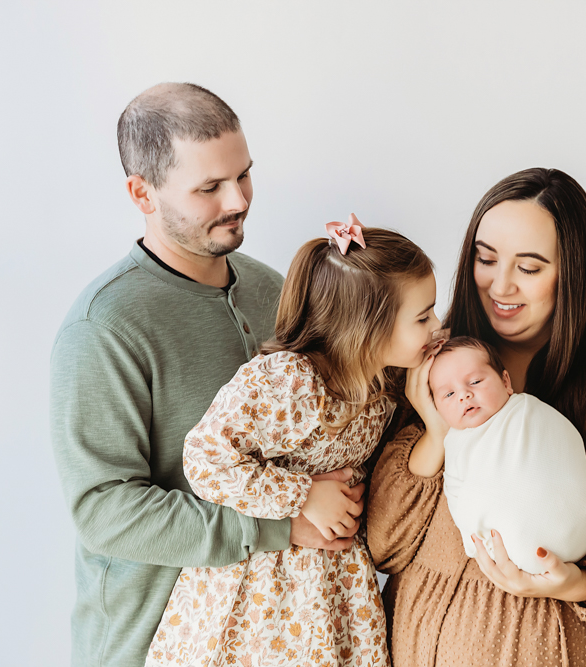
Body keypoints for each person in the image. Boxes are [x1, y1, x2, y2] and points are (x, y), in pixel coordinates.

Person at [50, 83, 358, 667]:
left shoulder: (277, 291)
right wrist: (280, 522)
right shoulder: (102, 328)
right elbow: (104, 511)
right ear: (142, 192)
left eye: (243, 175)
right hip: (146, 645)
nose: (238, 199)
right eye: (208, 188)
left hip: (278, 639)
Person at [367, 168, 586, 666]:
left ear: (572, 272)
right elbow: (381, 547)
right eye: (485, 259)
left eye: (529, 268)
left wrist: (584, 582)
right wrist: (437, 430)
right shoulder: (426, 363)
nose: (499, 284)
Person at [145, 218, 442, 667]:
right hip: (261, 591)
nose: (436, 325)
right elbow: (206, 460)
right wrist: (304, 496)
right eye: (423, 317)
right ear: (368, 328)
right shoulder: (286, 381)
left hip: (336, 588)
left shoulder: (386, 387)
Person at [427, 336, 586, 575]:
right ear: (436, 409)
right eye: (448, 395)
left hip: (574, 526)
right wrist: (477, 545)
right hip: (521, 551)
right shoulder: (456, 442)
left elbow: (565, 444)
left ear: (505, 381)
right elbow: (457, 496)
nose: (464, 395)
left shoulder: (528, 410)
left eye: (475, 381)